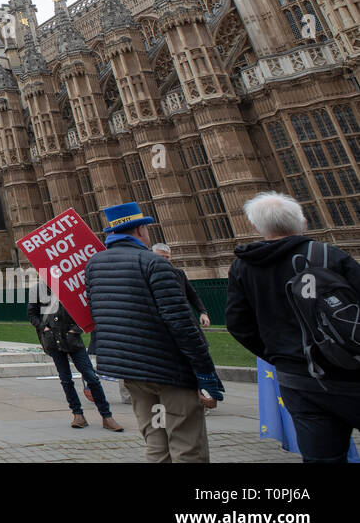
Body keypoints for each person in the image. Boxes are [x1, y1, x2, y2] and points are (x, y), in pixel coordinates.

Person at [227, 191, 360, 463]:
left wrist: (279, 355)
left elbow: (238, 324)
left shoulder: (243, 267)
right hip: (350, 372)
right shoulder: (328, 254)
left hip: (298, 380)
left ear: (256, 227)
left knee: (322, 458)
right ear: (303, 222)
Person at [85, 202, 223, 462]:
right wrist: (205, 371)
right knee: (187, 446)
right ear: (139, 230)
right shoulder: (154, 264)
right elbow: (181, 323)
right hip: (169, 371)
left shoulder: (94, 265)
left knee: (156, 443)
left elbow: (99, 314)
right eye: (146, 228)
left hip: (132, 372)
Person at [27, 294, 123, 431]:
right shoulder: (40, 289)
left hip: (72, 339)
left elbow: (86, 309)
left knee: (91, 377)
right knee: (66, 379)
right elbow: (32, 314)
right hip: (53, 339)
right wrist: (44, 327)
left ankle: (106, 416)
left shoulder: (69, 286)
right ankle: (77, 414)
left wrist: (76, 329)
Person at [152, 242, 211, 328]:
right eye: (161, 257)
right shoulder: (149, 274)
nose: (165, 260)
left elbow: (192, 295)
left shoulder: (179, 273)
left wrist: (203, 312)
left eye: (167, 257)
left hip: (186, 318)